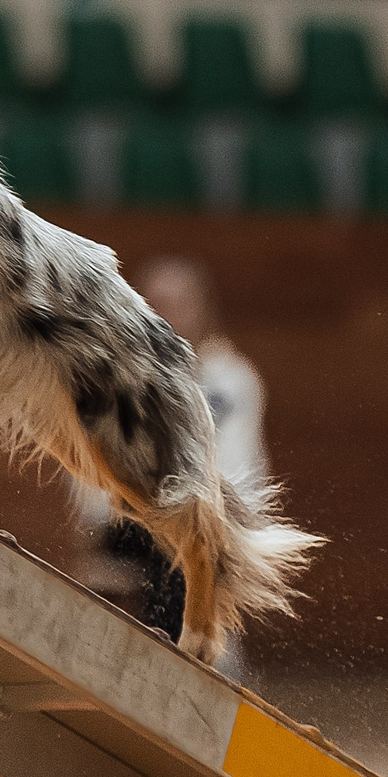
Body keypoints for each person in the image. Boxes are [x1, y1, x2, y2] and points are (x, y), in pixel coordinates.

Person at [73, 256, 270, 655]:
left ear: (202, 310)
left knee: (191, 556)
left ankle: (194, 656)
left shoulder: (230, 380)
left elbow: (240, 466)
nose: (168, 315)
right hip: (131, 525)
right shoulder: (111, 376)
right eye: (157, 303)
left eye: (180, 304)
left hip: (206, 524)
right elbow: (90, 471)